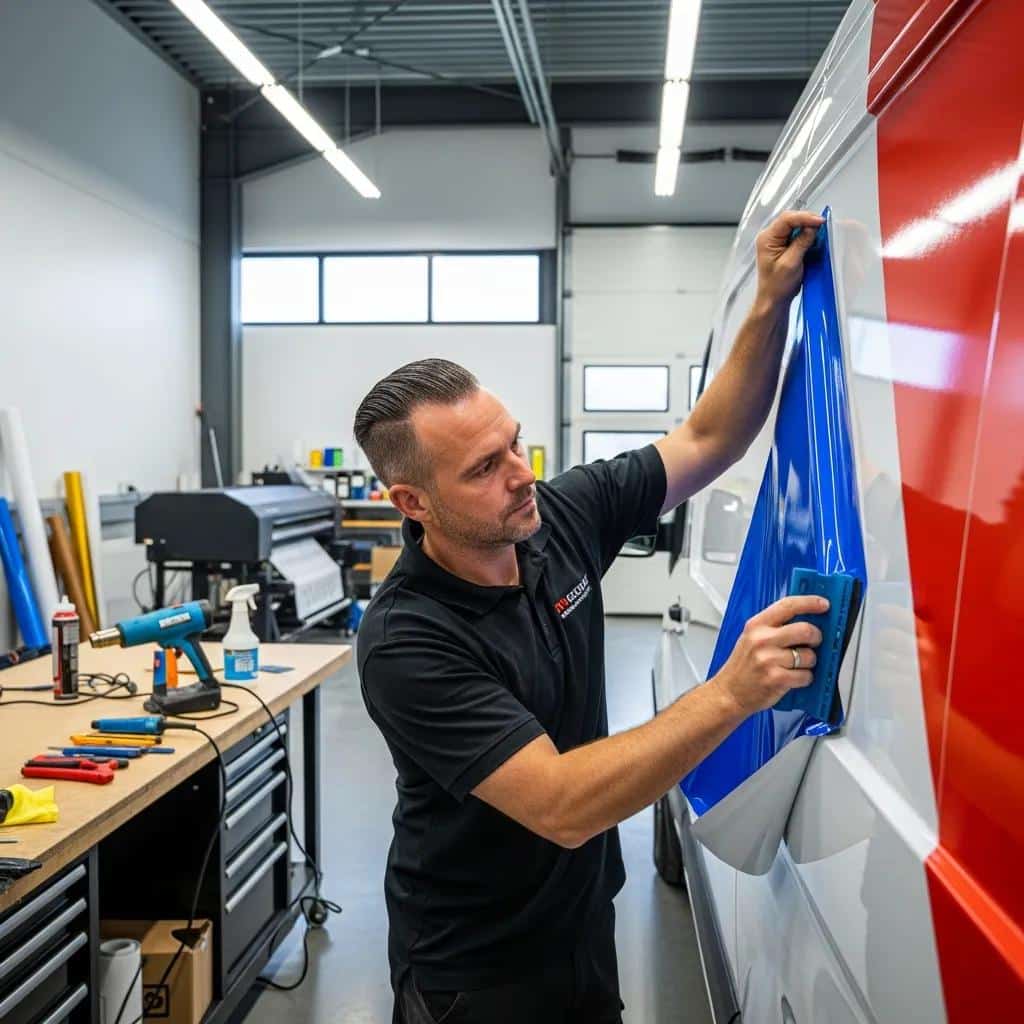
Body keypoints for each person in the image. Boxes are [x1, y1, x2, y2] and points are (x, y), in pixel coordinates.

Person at [354, 210, 829, 1024]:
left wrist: (769, 300)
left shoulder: (558, 519)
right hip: (476, 970)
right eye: (483, 468)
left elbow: (711, 437)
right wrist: (730, 693)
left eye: (515, 444)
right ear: (412, 502)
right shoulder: (409, 640)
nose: (519, 475)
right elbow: (563, 805)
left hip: (582, 924)